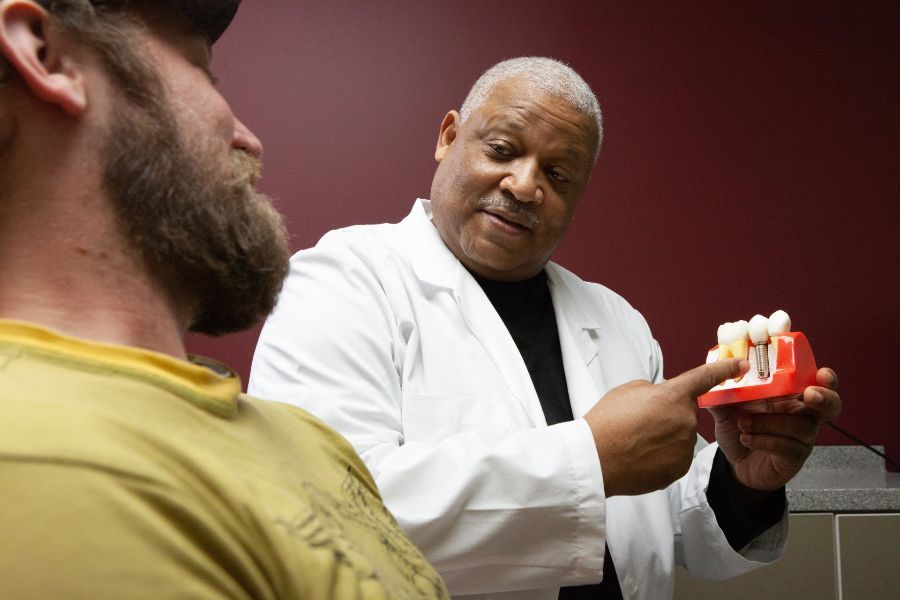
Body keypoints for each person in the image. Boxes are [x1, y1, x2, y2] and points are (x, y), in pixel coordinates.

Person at [249, 57, 842, 600]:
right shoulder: (340, 282)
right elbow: (321, 511)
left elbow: (662, 527)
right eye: (503, 149)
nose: (526, 185)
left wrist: (745, 483)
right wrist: (591, 457)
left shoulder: (617, 322)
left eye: (559, 175)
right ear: (448, 137)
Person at [0, 1, 449, 598]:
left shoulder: (306, 438)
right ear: (46, 54)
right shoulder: (46, 465)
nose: (250, 140)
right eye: (201, 71)